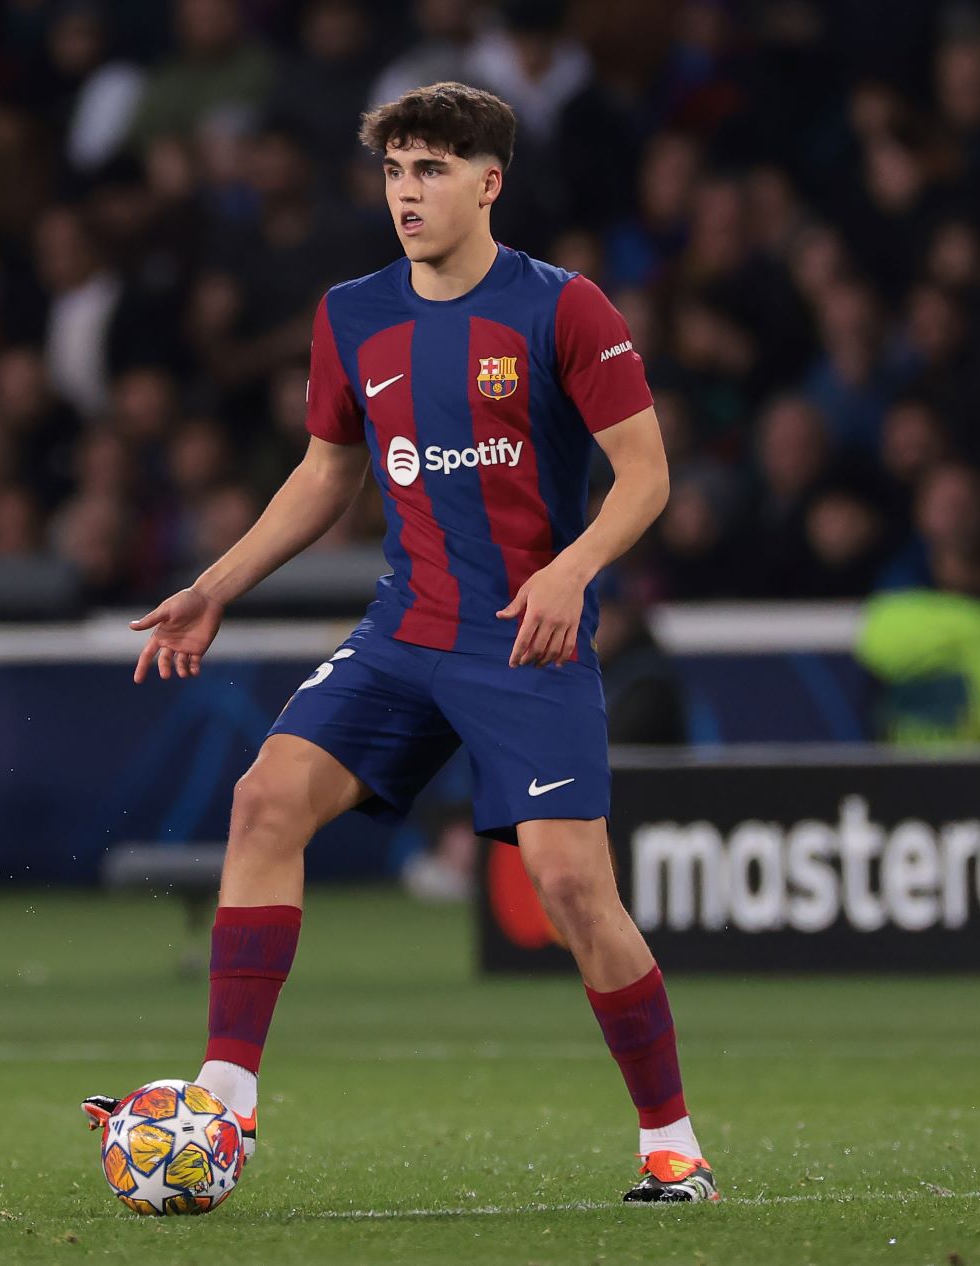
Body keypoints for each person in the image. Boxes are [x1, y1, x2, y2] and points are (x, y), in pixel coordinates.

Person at [84, 83, 716, 1204]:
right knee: (264, 801)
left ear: (489, 182)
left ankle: (671, 1144)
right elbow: (327, 472)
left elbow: (647, 474)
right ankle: (224, 1101)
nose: (407, 193)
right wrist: (213, 585)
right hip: (403, 630)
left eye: (430, 170)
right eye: (393, 171)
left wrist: (571, 572)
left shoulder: (564, 310)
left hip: (524, 637)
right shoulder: (351, 314)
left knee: (572, 887)